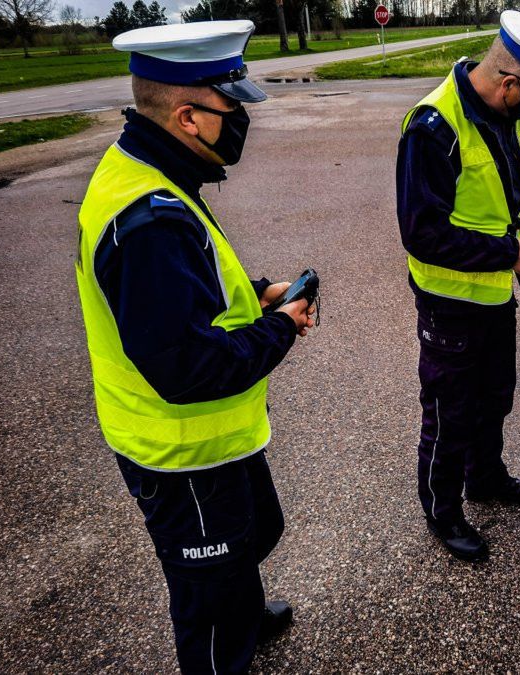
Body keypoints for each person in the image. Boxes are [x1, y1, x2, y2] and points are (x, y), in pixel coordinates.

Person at [74, 21, 315, 673]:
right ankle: (224, 634)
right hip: (182, 452)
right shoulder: (149, 219)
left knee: (254, 532)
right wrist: (283, 326)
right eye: (231, 107)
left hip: (208, 442)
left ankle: (240, 602)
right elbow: (185, 366)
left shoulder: (152, 167)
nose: (241, 119)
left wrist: (260, 293)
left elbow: (185, 294)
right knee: (208, 597)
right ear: (188, 116)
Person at [396, 10, 520, 562]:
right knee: (449, 412)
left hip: (496, 297)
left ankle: (485, 479)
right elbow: (421, 234)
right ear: (509, 85)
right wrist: (509, 254)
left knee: (495, 396)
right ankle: (443, 510)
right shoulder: (433, 128)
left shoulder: (509, 113)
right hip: (450, 304)